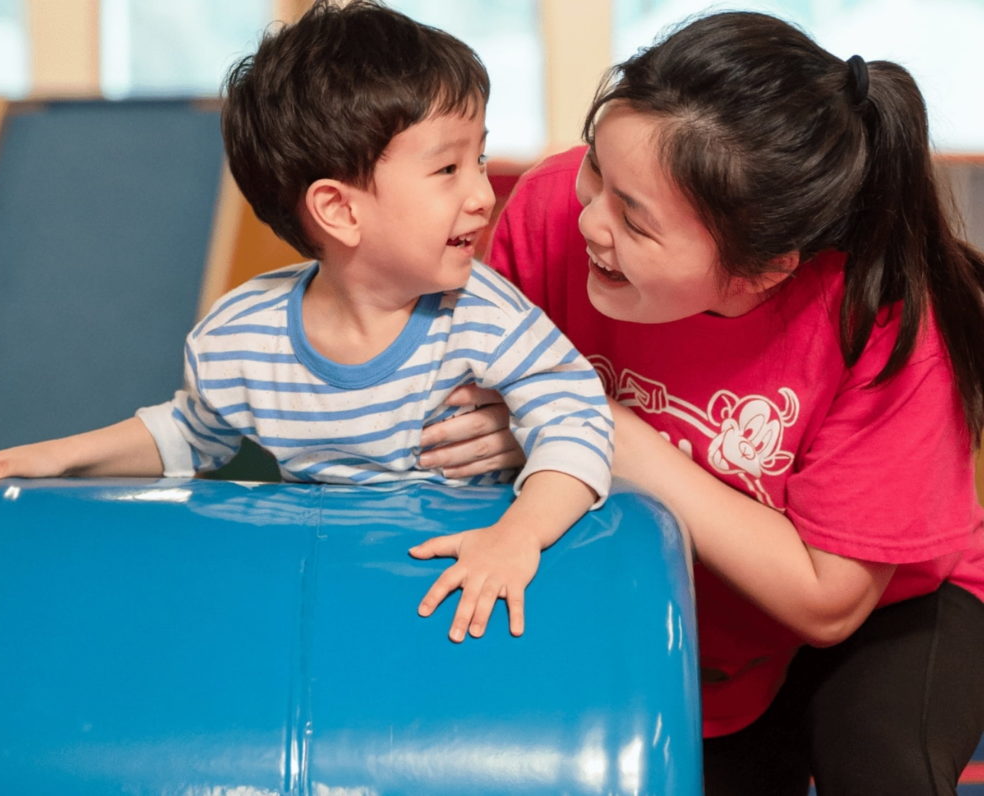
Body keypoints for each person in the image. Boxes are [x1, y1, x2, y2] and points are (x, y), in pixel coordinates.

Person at [419, 11, 984, 794]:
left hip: (875, 611)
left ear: (761, 271)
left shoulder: (879, 317)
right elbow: (480, 408)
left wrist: (605, 430)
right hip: (679, 599)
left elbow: (828, 601)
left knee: (883, 760)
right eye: (598, 174)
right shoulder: (555, 210)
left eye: (635, 220)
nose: (588, 220)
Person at [0, 0, 613, 645]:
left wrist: (518, 535)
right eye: (448, 168)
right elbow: (192, 434)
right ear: (339, 211)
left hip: (463, 583)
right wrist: (62, 455)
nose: (480, 192)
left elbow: (577, 422)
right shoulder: (244, 335)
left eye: (480, 159)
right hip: (335, 587)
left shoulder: (484, 316)